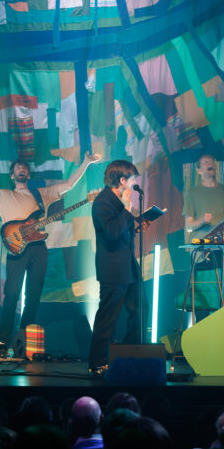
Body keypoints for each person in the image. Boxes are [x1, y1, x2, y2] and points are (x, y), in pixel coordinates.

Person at [0, 152, 101, 356]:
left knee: (33, 296)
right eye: (17, 168)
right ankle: (3, 341)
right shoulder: (2, 195)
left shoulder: (43, 194)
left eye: (24, 168)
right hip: (15, 248)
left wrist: (86, 162)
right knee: (11, 294)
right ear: (12, 175)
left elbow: (69, 184)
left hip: (39, 249)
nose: (21, 170)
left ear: (28, 174)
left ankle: (22, 337)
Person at [87, 160, 148, 375]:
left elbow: (122, 230)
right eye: (132, 179)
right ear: (121, 180)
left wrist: (136, 225)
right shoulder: (103, 202)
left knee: (140, 310)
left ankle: (130, 357)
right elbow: (111, 233)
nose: (134, 183)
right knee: (108, 317)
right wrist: (127, 209)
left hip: (128, 266)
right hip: (113, 268)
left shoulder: (119, 201)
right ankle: (97, 363)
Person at [183, 154, 224, 304]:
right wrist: (202, 220)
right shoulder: (192, 193)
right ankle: (203, 325)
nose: (211, 164)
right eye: (206, 162)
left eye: (212, 162)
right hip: (204, 248)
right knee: (204, 294)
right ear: (199, 170)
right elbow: (189, 224)